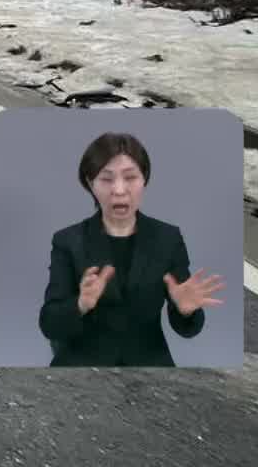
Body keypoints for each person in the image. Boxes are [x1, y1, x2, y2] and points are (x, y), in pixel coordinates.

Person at [38, 132, 225, 366]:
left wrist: (185, 310)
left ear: (144, 179)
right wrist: (80, 304)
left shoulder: (167, 238)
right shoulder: (69, 241)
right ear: (90, 183)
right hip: (81, 368)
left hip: (150, 368)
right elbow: (49, 324)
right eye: (106, 179)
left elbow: (187, 328)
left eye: (130, 178)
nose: (119, 190)